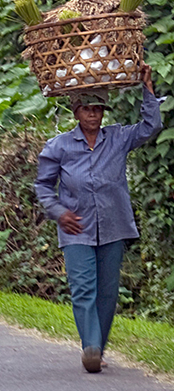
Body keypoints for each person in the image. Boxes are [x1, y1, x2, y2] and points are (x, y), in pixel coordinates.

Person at [35, 64, 162, 373]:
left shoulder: (117, 138)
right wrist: (59, 212)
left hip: (113, 225)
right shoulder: (59, 146)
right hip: (76, 227)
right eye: (86, 109)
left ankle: (99, 348)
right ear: (76, 112)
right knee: (82, 288)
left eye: (98, 109)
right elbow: (42, 186)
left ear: (104, 112)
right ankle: (90, 348)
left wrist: (147, 89)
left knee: (107, 291)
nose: (93, 115)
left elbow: (151, 126)